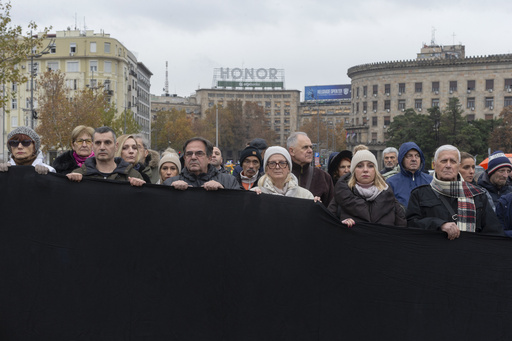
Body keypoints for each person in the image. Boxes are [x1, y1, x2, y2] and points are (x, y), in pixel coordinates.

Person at [407, 145, 504, 240]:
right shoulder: (419, 194)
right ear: (435, 165)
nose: (448, 165)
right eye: (444, 161)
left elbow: (493, 232)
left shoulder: (477, 194)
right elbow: (411, 225)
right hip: (433, 253)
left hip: (469, 253)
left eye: (453, 161)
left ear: (458, 166)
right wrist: (439, 224)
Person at [327, 150, 405, 227]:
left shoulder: (389, 196)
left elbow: (401, 231)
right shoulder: (340, 196)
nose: (365, 170)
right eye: (360, 166)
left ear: (375, 170)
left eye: (370, 166)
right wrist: (340, 226)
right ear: (353, 170)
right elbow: (328, 226)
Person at [67, 126, 145, 186]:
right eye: (98, 143)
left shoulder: (133, 176)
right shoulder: (79, 175)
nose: (102, 147)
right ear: (92, 146)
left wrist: (141, 188)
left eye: (107, 142)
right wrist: (69, 183)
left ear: (116, 146)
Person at [163, 137, 240, 190]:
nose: (193, 157)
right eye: (189, 154)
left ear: (209, 158)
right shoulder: (169, 183)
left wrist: (224, 192)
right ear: (184, 158)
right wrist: (171, 191)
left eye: (199, 154)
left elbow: (239, 207)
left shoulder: (229, 181)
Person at [251, 146, 317, 200]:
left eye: (282, 163)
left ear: (289, 168)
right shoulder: (254, 194)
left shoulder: (305, 196)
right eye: (272, 163)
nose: (277, 167)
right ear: (266, 168)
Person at [288, 132, 333, 207]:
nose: (310, 151)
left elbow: (331, 210)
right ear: (292, 151)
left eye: (311, 147)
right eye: (305, 147)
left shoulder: (323, 177)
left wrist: (319, 208)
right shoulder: (281, 176)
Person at [386, 141, 432, 208]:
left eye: (417, 156)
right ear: (402, 159)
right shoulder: (391, 183)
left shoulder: (430, 181)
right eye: (409, 156)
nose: (414, 159)